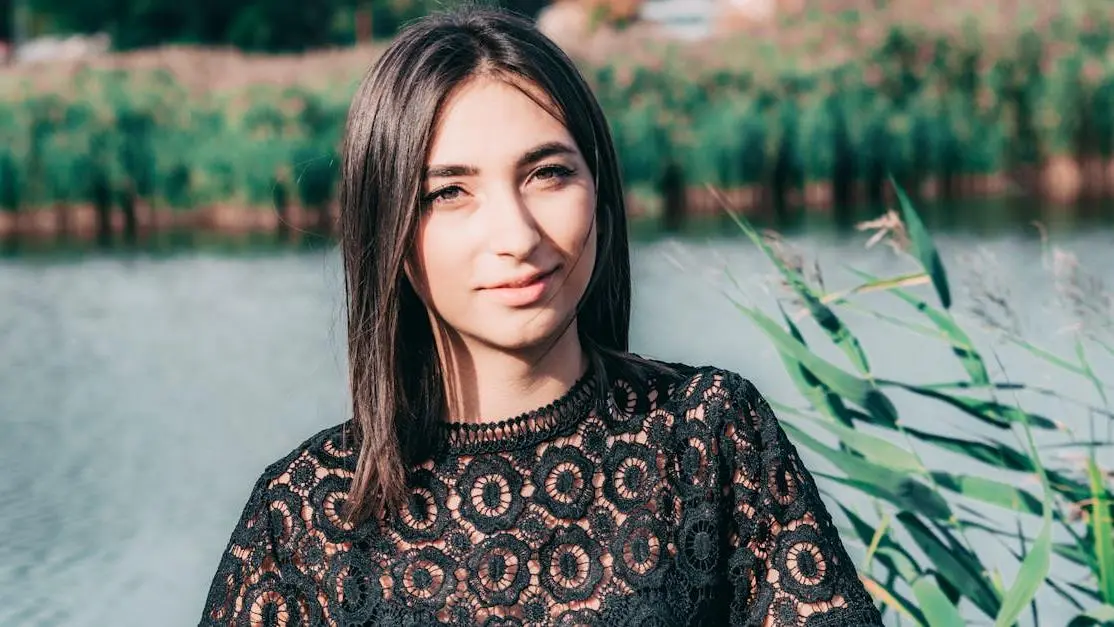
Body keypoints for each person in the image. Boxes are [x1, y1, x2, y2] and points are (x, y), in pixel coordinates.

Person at [199, 7, 884, 626]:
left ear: (599, 190)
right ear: (390, 233)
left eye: (547, 173)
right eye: (449, 192)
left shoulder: (706, 435)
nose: (517, 235)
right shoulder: (305, 517)